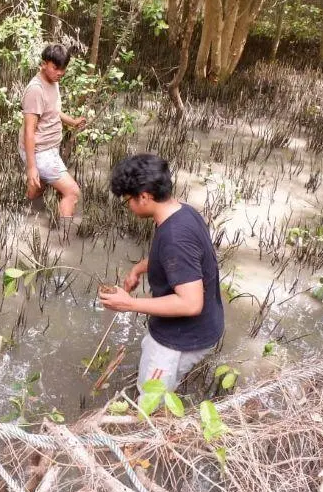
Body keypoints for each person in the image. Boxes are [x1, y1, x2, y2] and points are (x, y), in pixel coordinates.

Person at [98, 153, 224, 394]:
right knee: (161, 390)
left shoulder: (175, 238)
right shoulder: (183, 213)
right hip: (204, 325)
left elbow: (190, 303)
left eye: (128, 201)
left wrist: (129, 304)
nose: (129, 207)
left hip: (180, 338)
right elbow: (174, 258)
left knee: (151, 401)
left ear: (144, 197)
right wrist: (138, 269)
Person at [19, 44, 86, 223]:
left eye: (63, 69)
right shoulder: (36, 90)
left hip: (48, 148)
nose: (60, 73)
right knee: (72, 192)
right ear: (44, 64)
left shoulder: (53, 81)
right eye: (56, 68)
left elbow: (53, 111)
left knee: (38, 188)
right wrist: (31, 167)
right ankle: (63, 236)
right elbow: (29, 131)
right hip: (40, 151)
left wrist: (72, 121)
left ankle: (27, 220)